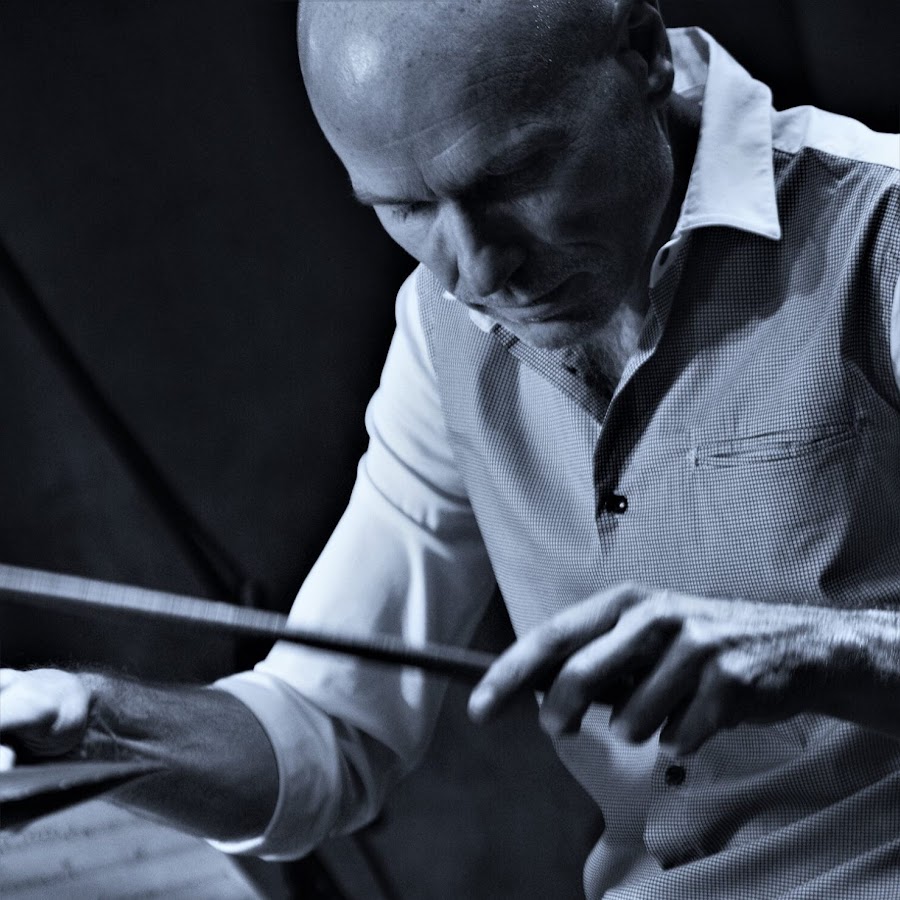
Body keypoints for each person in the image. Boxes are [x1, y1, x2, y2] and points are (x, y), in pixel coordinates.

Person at [2, 1, 899, 896]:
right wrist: (99, 729)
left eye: (514, 175)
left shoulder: (880, 228)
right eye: (406, 207)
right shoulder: (445, 327)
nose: (475, 270)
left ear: (641, 53)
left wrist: (827, 651)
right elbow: (323, 729)